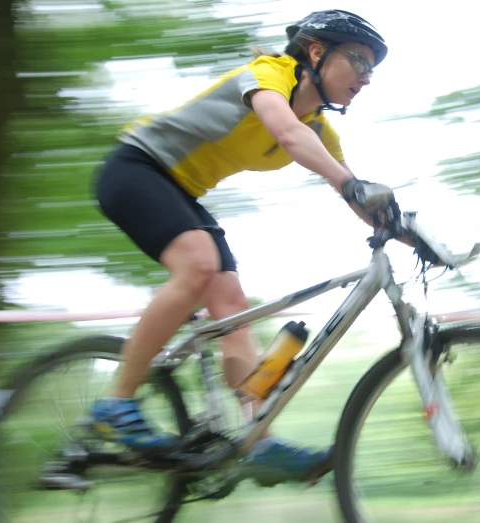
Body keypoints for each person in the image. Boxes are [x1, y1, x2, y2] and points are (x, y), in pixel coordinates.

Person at [90, 9, 407, 486]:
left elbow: (356, 196)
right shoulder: (268, 75)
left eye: (372, 70)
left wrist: (412, 234)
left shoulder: (322, 129)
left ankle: (259, 441)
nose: (366, 78)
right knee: (198, 265)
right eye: (360, 61)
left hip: (180, 193)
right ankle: (115, 404)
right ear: (317, 52)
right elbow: (288, 134)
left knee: (234, 307)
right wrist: (350, 183)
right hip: (135, 167)